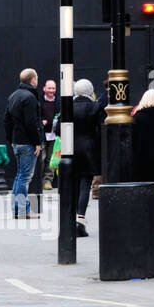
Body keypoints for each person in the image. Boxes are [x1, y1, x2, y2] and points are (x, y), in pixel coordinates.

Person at [63, 79, 102, 237]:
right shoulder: (96, 106)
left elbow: (59, 128)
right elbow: (101, 129)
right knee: (85, 183)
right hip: (89, 149)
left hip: (71, 149)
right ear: (90, 90)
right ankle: (80, 218)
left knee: (73, 184)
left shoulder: (68, 107)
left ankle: (70, 219)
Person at [4, 68, 45, 219]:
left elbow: (6, 121)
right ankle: (23, 211)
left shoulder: (13, 96)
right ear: (33, 80)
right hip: (27, 143)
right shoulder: (30, 98)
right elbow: (31, 123)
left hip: (17, 142)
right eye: (36, 78)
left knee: (20, 176)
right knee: (25, 177)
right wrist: (37, 143)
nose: (37, 80)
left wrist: (11, 140)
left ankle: (17, 209)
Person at [38, 79, 58, 192]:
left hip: (54, 135)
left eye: (53, 88)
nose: (51, 90)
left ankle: (47, 181)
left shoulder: (59, 101)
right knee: (41, 158)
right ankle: (38, 180)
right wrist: (40, 122)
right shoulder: (39, 101)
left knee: (51, 159)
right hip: (42, 134)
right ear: (44, 88)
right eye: (49, 88)